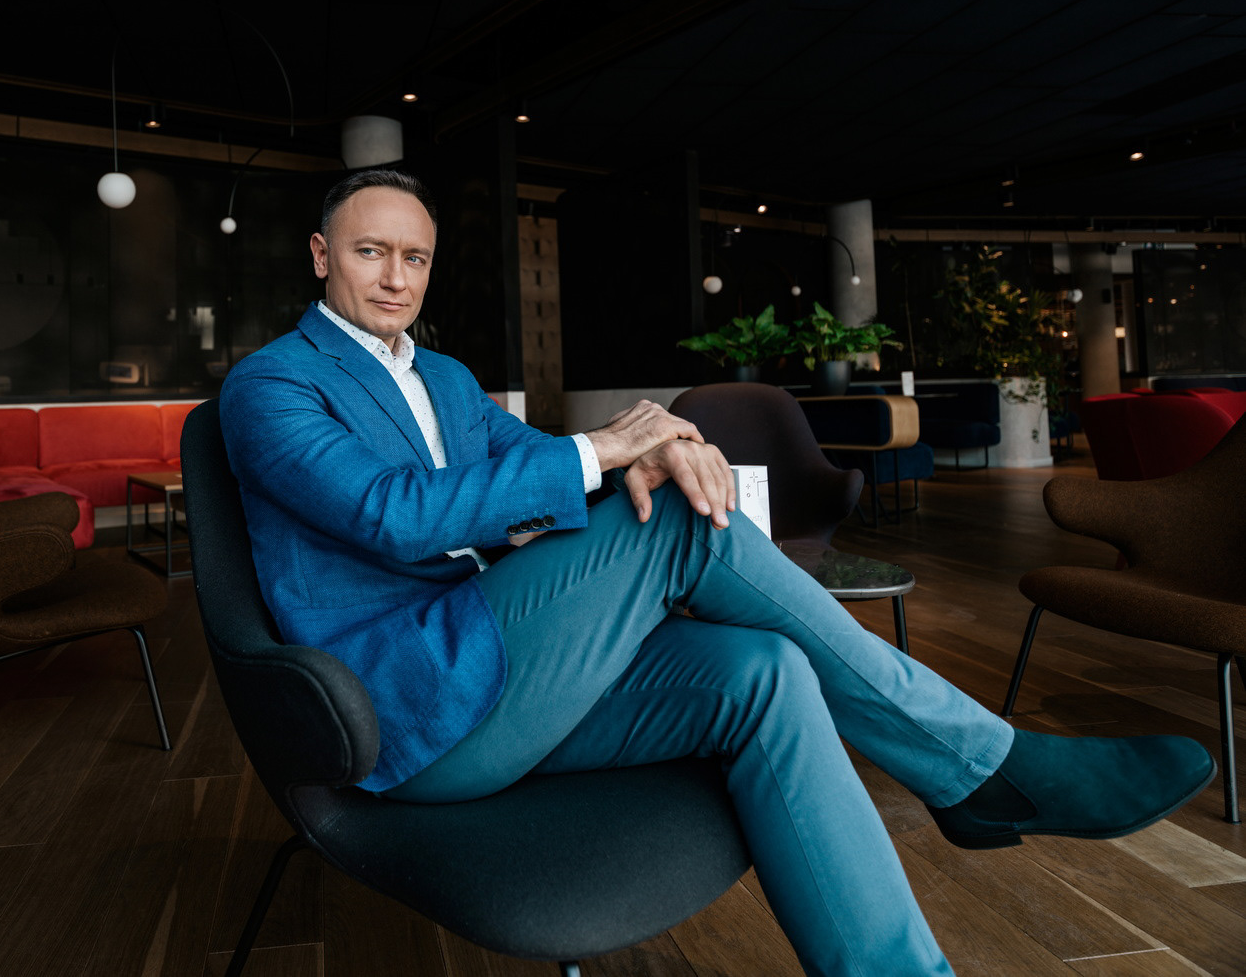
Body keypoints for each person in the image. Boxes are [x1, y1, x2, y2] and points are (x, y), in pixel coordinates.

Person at [218, 168, 1214, 977]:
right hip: (409, 708)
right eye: (371, 251)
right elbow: (390, 512)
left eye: (416, 257)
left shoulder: (445, 377)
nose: (396, 278)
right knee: (680, 526)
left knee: (763, 670)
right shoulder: (270, 384)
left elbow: (537, 469)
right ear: (322, 255)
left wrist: (651, 446)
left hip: (514, 669)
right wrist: (615, 447)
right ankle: (987, 765)